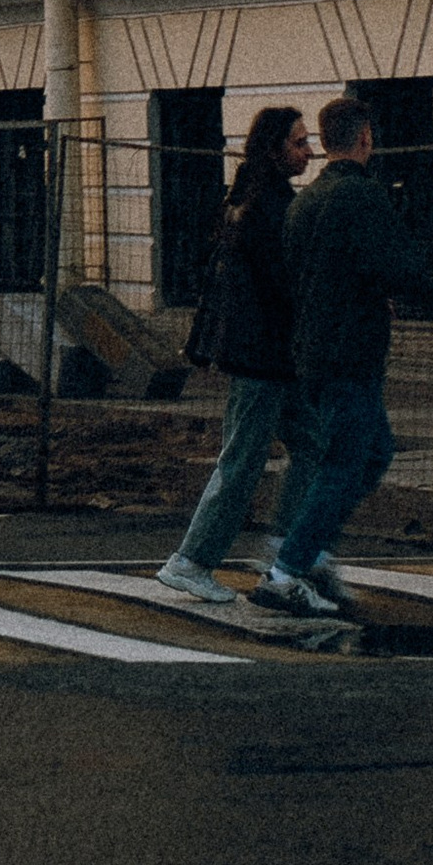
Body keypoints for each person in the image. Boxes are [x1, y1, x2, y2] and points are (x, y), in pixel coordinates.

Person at [250, 93, 433, 622]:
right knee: (343, 464)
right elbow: (396, 268)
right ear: (365, 138)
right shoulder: (362, 197)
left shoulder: (305, 203)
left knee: (376, 451)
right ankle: (286, 571)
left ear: (327, 139)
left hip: (314, 350)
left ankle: (310, 550)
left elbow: (322, 273)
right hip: (349, 352)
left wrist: (367, 294)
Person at [156, 106, 317, 604]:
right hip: (263, 356)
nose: (309, 152)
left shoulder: (254, 196)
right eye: (298, 142)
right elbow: (285, 283)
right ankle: (191, 561)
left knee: (314, 446)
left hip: (272, 354)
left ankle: (285, 551)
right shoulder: (269, 205)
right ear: (273, 149)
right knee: (243, 461)